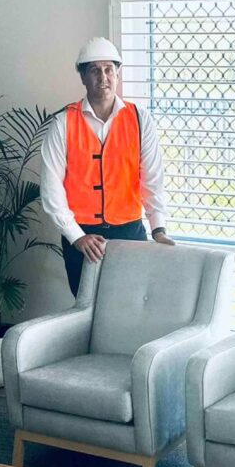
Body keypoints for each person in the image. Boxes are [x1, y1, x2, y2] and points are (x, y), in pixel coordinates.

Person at [40, 37, 174, 296]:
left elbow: (152, 178)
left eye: (109, 70)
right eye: (94, 70)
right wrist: (76, 236)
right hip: (83, 236)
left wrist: (158, 228)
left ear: (117, 74)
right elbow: (51, 188)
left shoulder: (140, 119)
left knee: (132, 305)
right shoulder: (63, 123)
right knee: (85, 311)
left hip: (130, 232)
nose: (103, 77)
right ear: (83, 77)